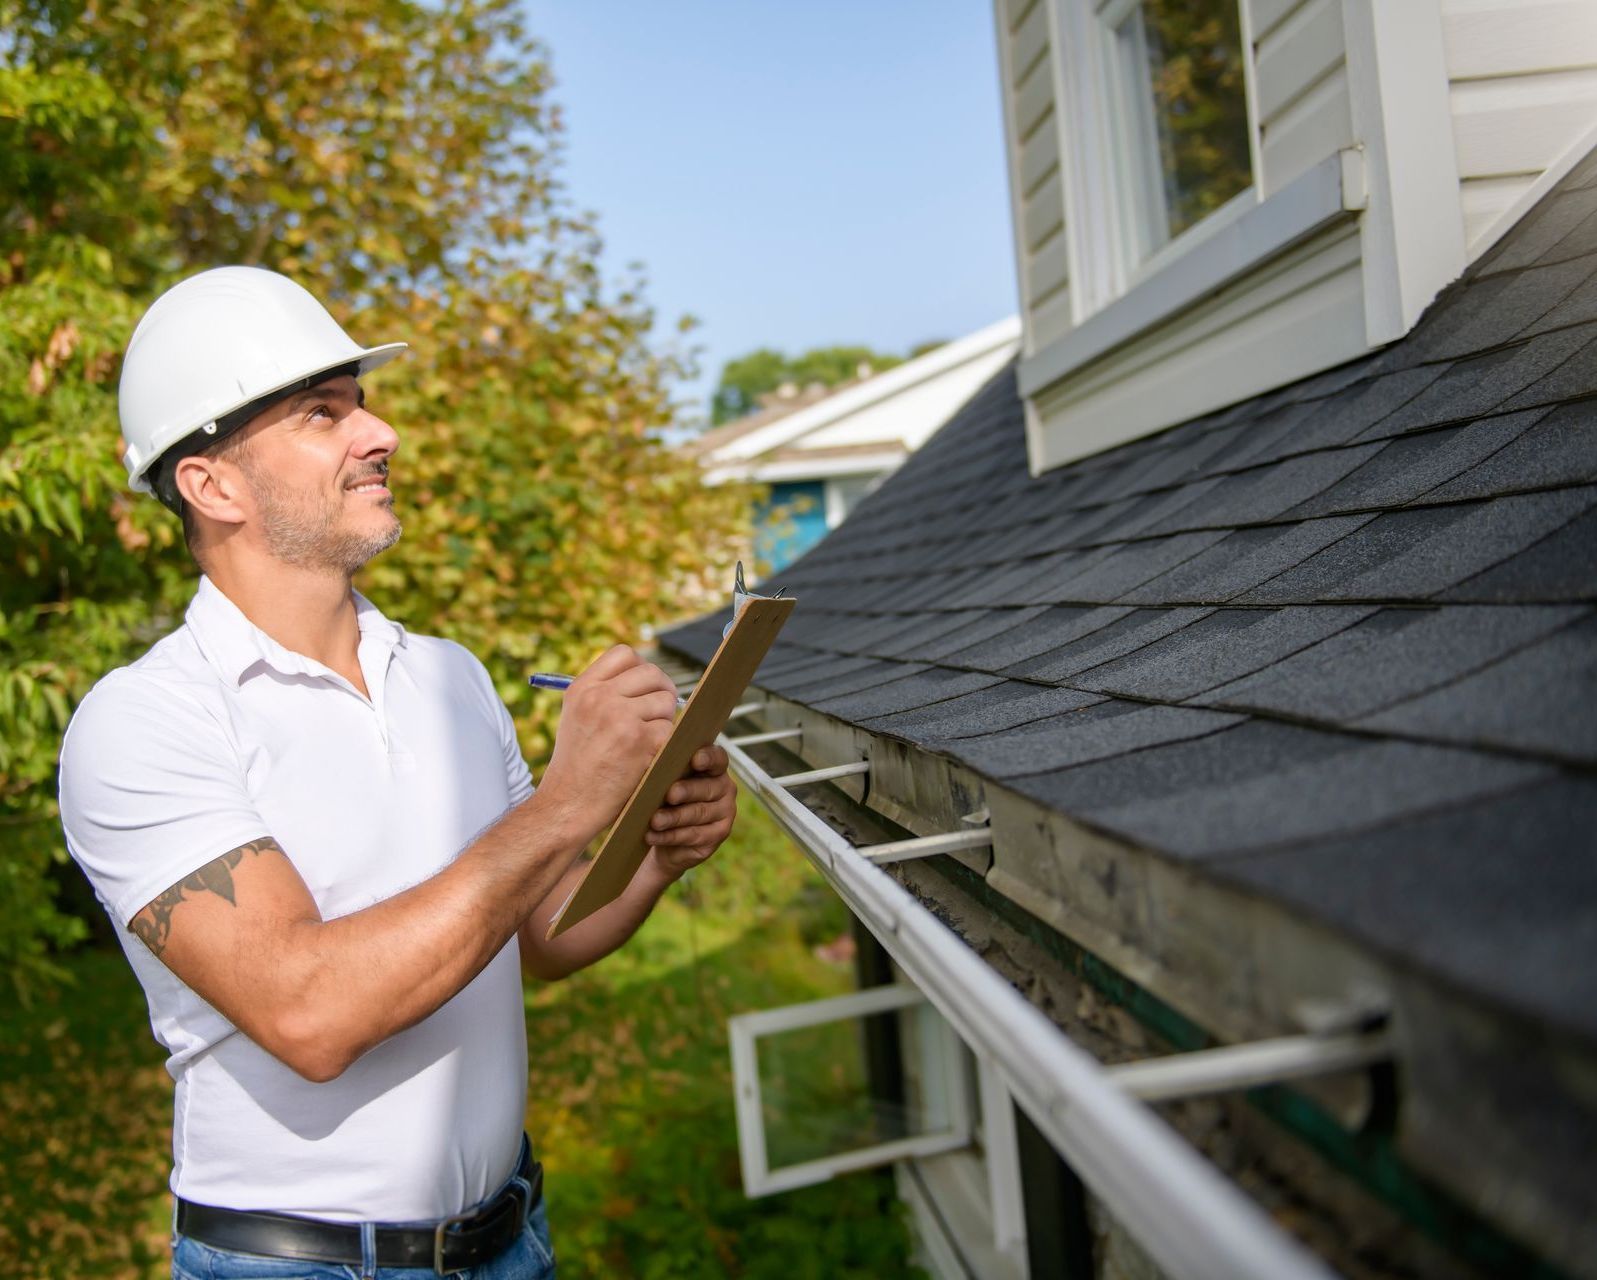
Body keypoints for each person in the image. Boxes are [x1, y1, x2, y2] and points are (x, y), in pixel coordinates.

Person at [57, 266, 738, 1279]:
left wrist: (651, 860)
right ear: (213, 484)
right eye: (322, 414)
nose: (380, 437)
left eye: (362, 407)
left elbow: (539, 935)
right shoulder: (145, 720)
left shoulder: (450, 678)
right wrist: (567, 803)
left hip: (513, 1236)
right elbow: (310, 1013)